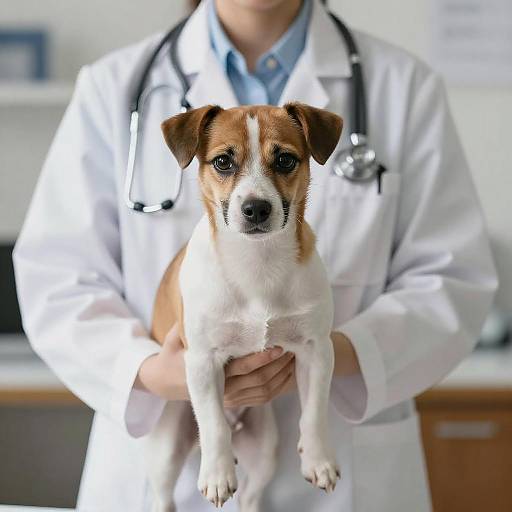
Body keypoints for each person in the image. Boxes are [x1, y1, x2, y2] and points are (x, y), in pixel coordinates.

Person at [13, 1, 498, 511]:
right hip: (169, 454)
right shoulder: (112, 84)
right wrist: (154, 373)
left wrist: (324, 353)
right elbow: (56, 280)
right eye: (224, 164)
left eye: (284, 163)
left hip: (346, 473)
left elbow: (453, 279)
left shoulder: (404, 86)